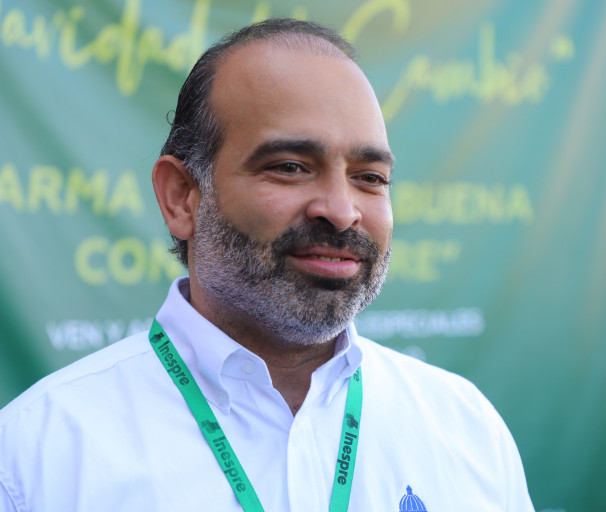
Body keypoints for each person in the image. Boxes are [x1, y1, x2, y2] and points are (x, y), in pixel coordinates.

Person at [0, 19, 534, 512]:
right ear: (182, 197)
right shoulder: (35, 456)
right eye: (291, 167)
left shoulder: (467, 430)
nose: (342, 210)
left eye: (370, 177)